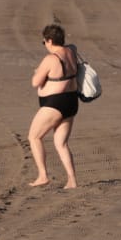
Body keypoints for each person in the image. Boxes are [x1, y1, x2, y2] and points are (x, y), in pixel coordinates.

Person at [27, 23, 80, 189]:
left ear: (49, 41)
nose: (45, 45)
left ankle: (43, 175)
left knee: (34, 137)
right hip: (71, 102)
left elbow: (35, 82)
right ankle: (72, 180)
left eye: (44, 42)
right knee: (61, 143)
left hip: (54, 103)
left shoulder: (51, 59)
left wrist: (37, 71)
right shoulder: (72, 51)